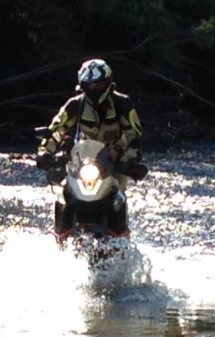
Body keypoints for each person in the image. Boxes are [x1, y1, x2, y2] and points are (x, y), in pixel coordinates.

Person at [35, 58, 145, 239]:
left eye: (98, 84)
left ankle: (121, 240)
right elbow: (56, 130)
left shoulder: (122, 104)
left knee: (118, 197)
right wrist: (45, 153)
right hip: (83, 161)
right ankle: (59, 235)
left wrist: (133, 161)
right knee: (63, 193)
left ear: (108, 83)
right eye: (89, 85)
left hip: (114, 162)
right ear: (82, 85)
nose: (93, 88)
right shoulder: (75, 105)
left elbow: (134, 135)